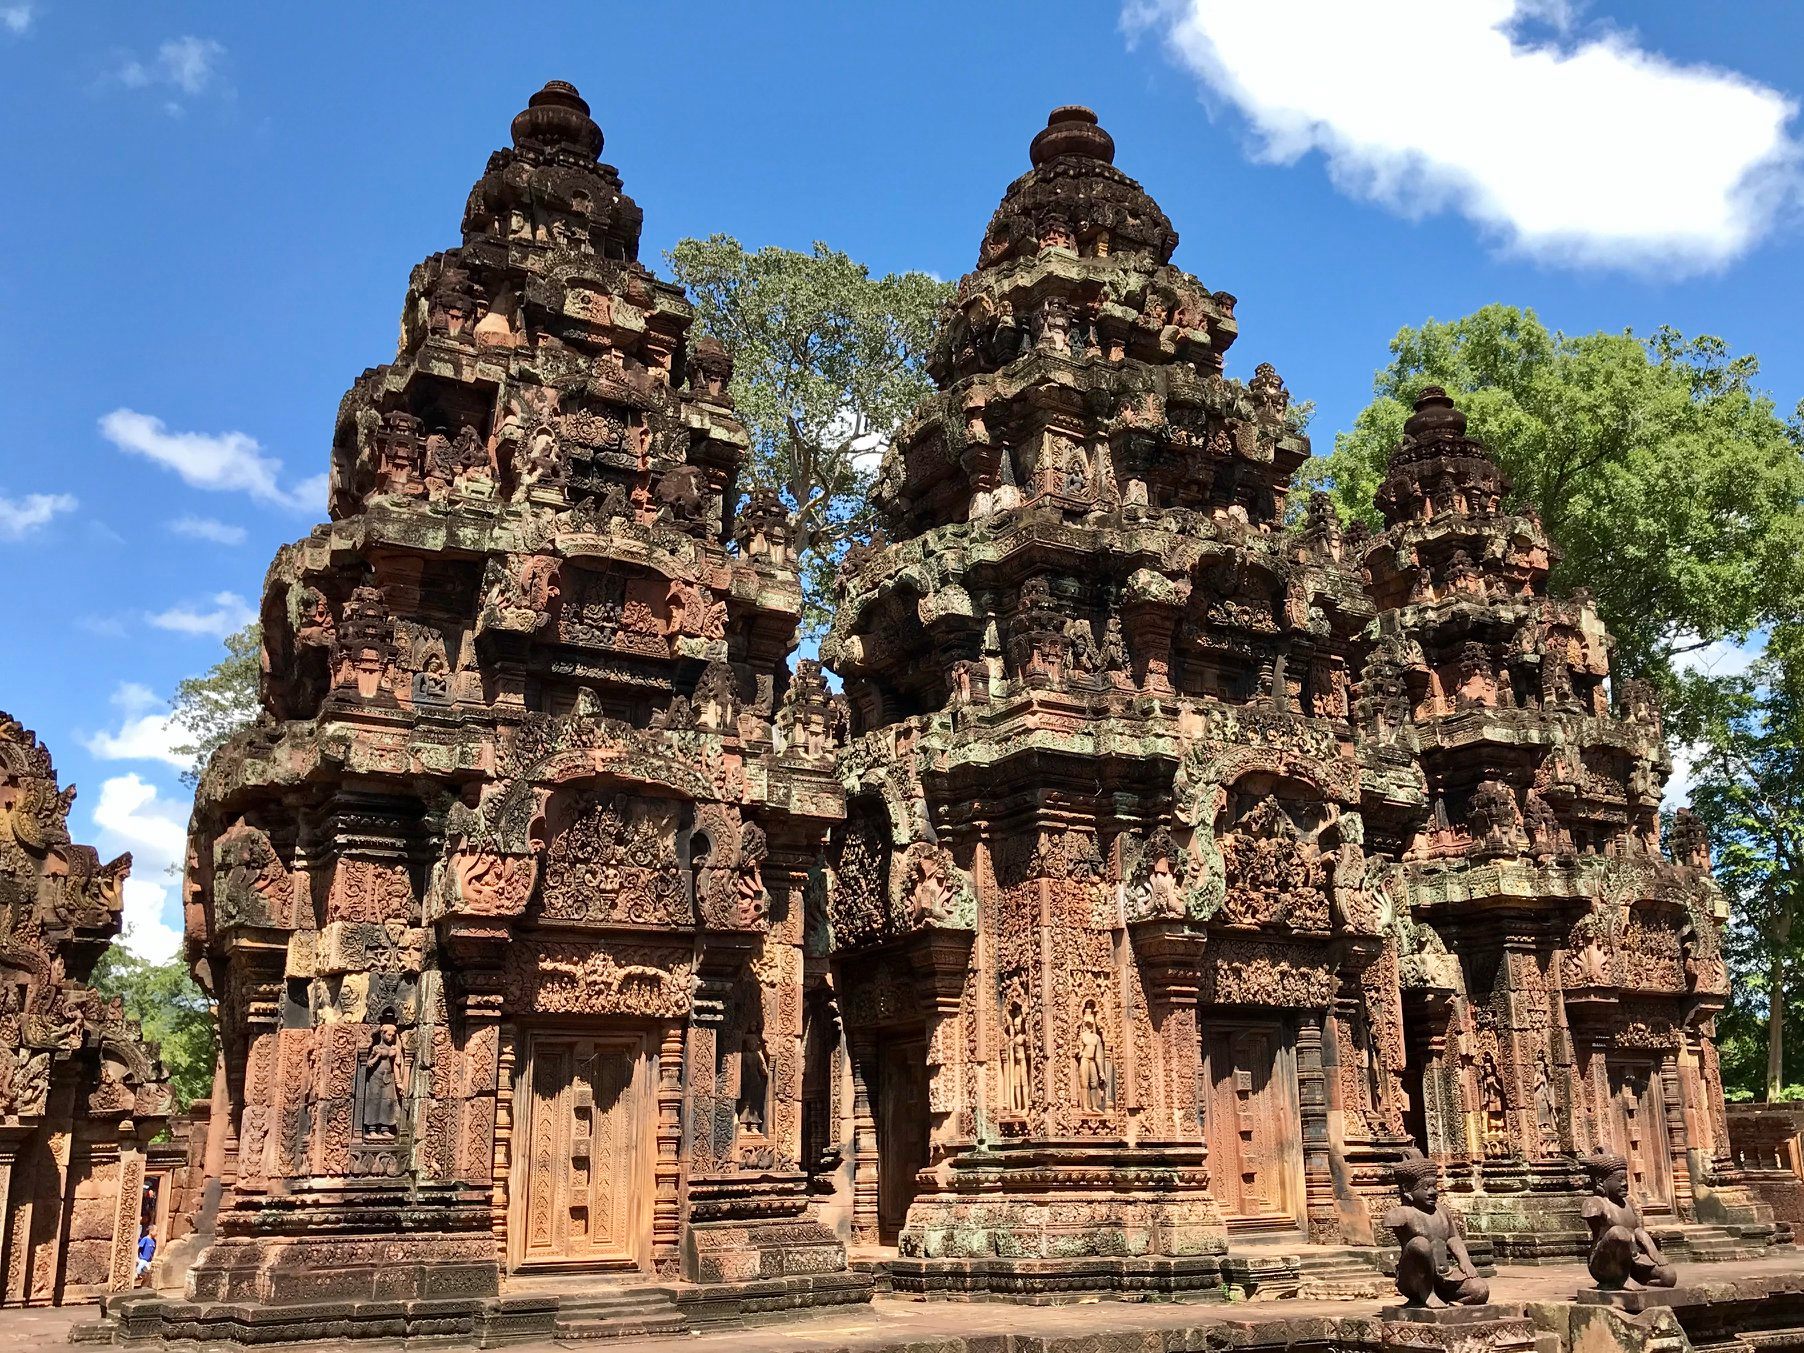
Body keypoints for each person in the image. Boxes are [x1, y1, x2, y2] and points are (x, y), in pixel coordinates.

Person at [1385, 1154, 1489, 1307]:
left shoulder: (1442, 1211)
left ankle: (1443, 1298)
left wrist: (1464, 1261)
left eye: (1435, 1186)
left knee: (1480, 1290)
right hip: (1414, 1279)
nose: (1433, 1192)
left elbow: (1453, 1238)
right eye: (1426, 1188)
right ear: (1407, 1189)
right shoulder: (1402, 1214)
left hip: (1445, 1276)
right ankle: (1426, 1293)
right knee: (1420, 1243)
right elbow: (1413, 1245)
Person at [1582, 1150, 1676, 1290]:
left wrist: (1653, 1252)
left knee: (1669, 1276)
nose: (1625, 1184)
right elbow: (1605, 1234)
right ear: (1600, 1181)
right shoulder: (1595, 1203)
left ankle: (1636, 1279)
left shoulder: (1629, 1203)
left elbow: (1638, 1231)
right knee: (1618, 1232)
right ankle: (1621, 1279)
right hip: (1605, 1265)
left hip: (1633, 1261)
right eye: (1619, 1180)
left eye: (1625, 1179)